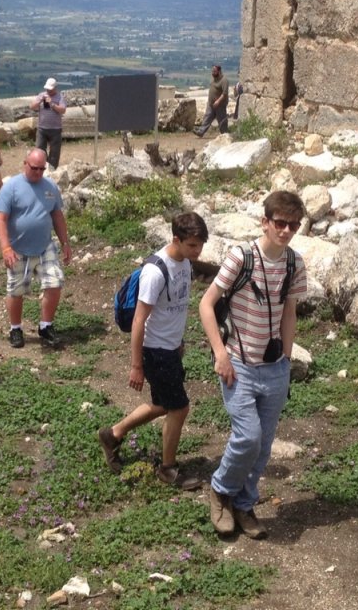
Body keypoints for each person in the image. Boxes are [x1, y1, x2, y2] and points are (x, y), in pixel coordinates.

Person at [199, 191, 308, 539]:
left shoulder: (295, 263)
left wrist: (287, 360)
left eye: (293, 225)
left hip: (275, 367)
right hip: (239, 364)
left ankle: (244, 505)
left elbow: (289, 312)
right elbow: (206, 304)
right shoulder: (241, 257)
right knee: (248, 437)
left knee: (263, 445)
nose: (286, 230)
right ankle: (220, 491)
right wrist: (220, 353)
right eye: (280, 223)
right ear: (266, 222)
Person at [98, 213, 210, 490]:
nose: (198, 251)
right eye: (193, 245)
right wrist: (136, 365)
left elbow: (177, 307)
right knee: (179, 407)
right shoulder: (155, 271)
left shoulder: (184, 262)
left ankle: (113, 434)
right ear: (176, 240)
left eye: (201, 245)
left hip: (171, 347)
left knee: (163, 404)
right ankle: (168, 468)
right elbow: (139, 320)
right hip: (155, 350)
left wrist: (179, 340)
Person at [0, 148, 73, 349]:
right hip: (18, 247)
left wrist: (65, 243)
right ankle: (15, 328)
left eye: (41, 168)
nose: (38, 172)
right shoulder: (10, 187)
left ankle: (46, 326)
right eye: (34, 168)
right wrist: (5, 248)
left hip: (45, 245)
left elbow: (57, 215)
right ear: (25, 164)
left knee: (54, 283)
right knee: (16, 290)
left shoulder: (50, 187)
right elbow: (0, 219)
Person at [31, 77, 67, 170]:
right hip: (42, 128)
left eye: (50, 89)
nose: (48, 91)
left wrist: (53, 104)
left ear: (55, 88)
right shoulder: (42, 95)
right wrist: (39, 101)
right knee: (40, 150)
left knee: (54, 153)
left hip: (55, 129)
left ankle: (52, 170)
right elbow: (32, 106)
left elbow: (63, 110)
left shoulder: (60, 97)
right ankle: (41, 168)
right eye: (47, 89)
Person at [194, 64, 229, 137]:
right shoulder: (213, 79)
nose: (213, 73)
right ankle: (201, 132)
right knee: (207, 118)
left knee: (222, 120)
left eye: (214, 71)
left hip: (220, 105)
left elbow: (224, 93)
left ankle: (225, 134)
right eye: (212, 71)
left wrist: (218, 101)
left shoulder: (224, 80)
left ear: (219, 71)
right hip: (211, 104)